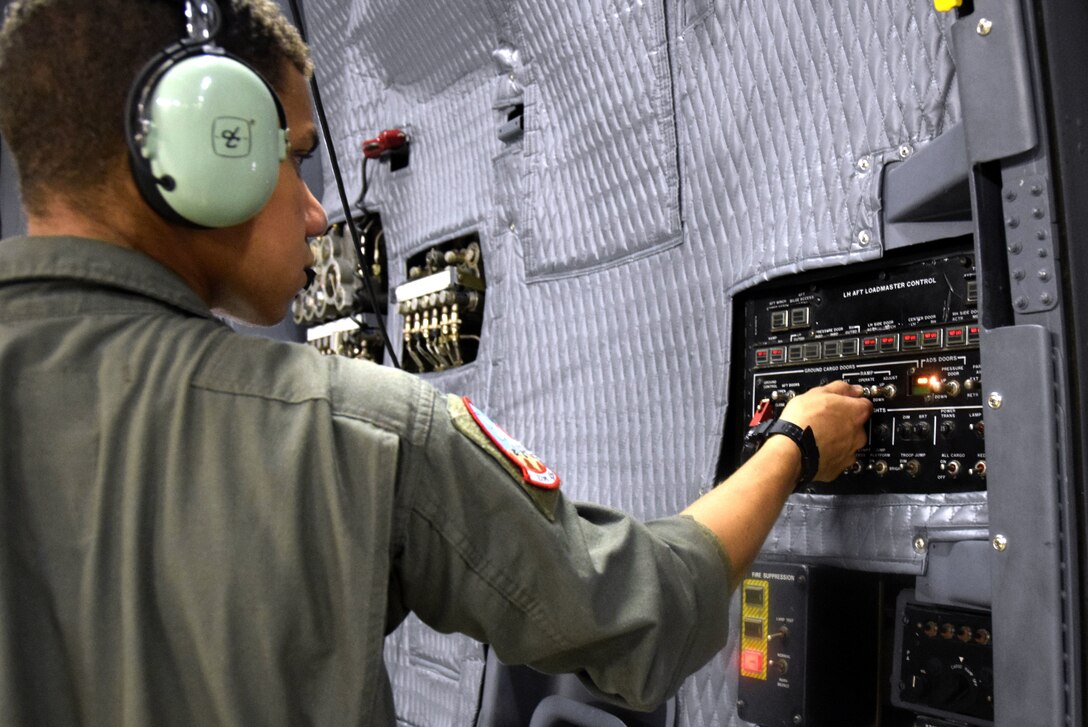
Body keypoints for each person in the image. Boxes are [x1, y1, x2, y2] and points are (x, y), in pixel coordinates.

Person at [0, 1, 872, 724]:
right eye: (294, 156)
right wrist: (793, 446)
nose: (315, 215)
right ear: (201, 148)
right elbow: (642, 611)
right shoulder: (360, 434)